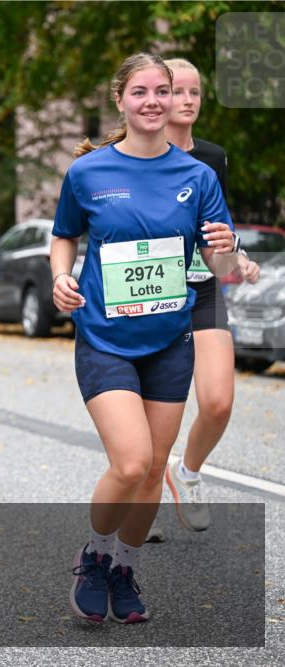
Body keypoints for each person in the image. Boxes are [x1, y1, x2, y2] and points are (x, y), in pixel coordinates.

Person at [50, 53, 241, 626]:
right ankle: (94, 554)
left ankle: (125, 567)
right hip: (105, 337)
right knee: (131, 463)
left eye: (164, 90)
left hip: (169, 340)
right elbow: (64, 237)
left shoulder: (198, 177)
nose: (155, 101)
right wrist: (62, 276)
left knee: (155, 467)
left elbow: (217, 262)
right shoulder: (88, 173)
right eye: (141, 92)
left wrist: (226, 247)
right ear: (121, 101)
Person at [160, 58, 261, 532]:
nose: (187, 100)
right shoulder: (132, 155)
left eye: (194, 92)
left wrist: (238, 257)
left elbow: (218, 227)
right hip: (147, 293)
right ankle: (139, 493)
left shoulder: (212, 158)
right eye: (177, 90)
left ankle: (189, 472)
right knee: (148, 411)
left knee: (218, 401)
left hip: (201, 288)